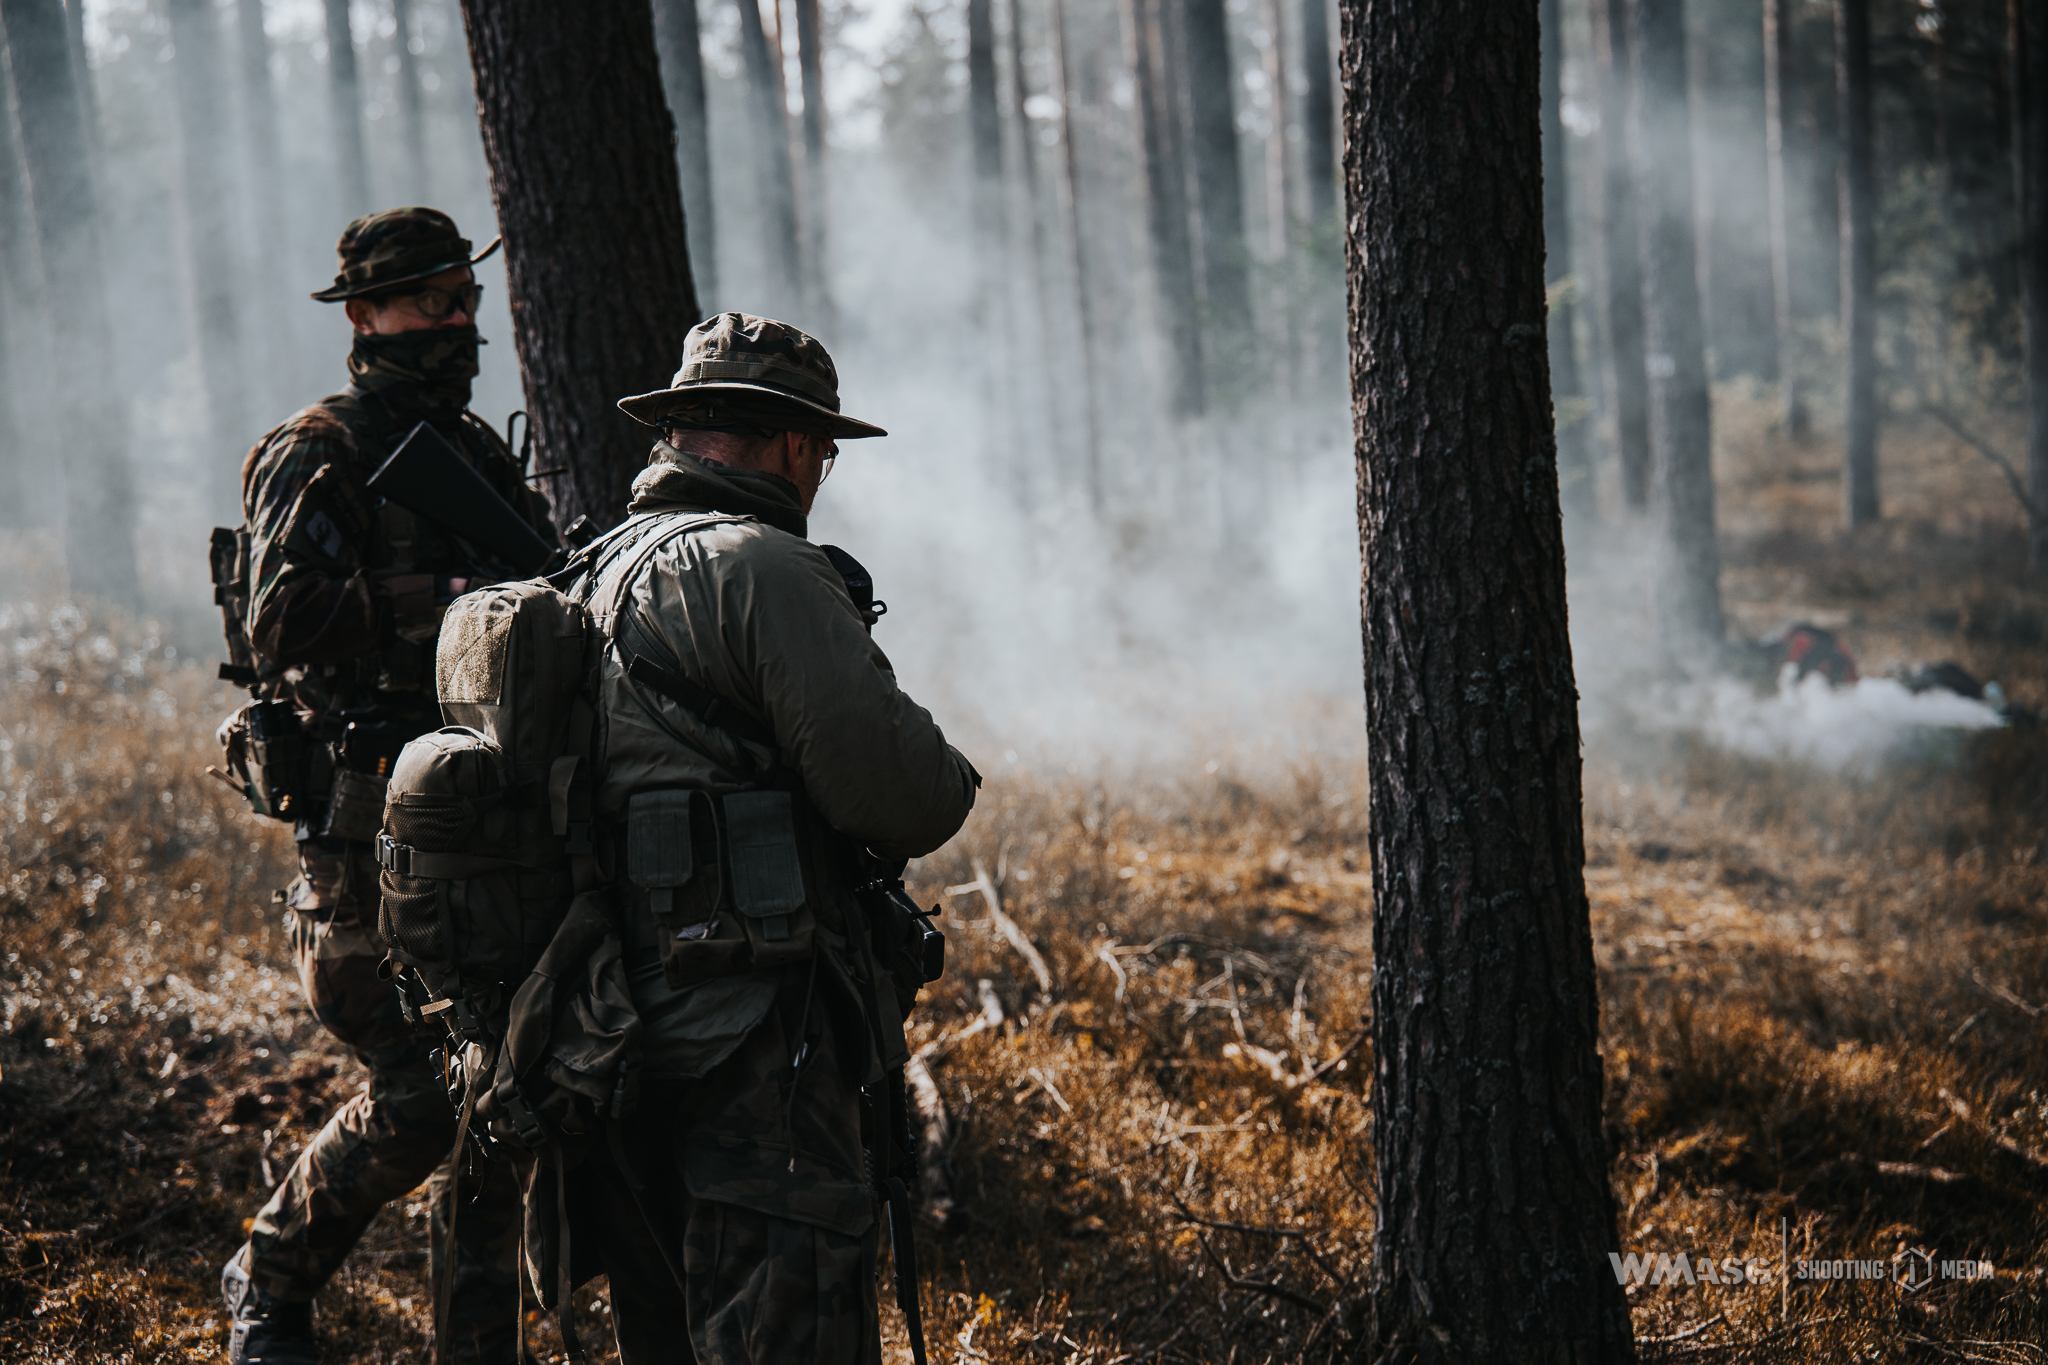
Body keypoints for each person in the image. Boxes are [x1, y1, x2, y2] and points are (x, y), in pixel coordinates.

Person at [562, 312, 979, 1363]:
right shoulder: (762, 571)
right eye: (823, 454)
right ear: (795, 445)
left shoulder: (589, 571)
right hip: (754, 1038)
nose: (821, 474)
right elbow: (909, 794)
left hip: (604, 1025)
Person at [219, 207, 555, 1365]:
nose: (453, 323)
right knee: (418, 1099)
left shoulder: (476, 452)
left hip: (488, 824)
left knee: (499, 1103)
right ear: (362, 317)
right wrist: (456, 601)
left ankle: (475, 1345)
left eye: (463, 300)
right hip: (364, 832)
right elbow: (280, 627)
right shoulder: (322, 447)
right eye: (425, 302)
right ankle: (267, 1275)